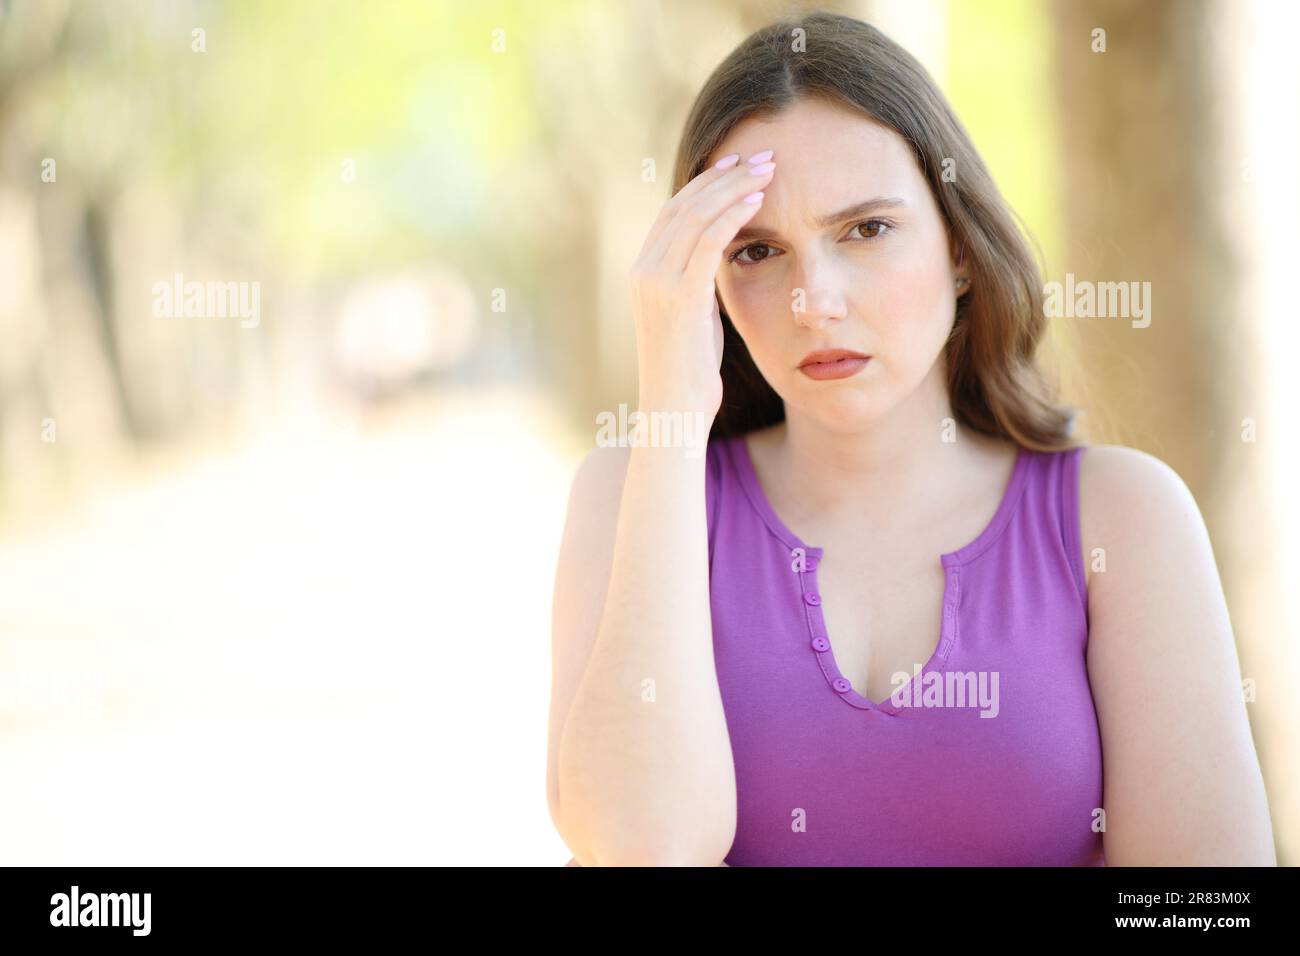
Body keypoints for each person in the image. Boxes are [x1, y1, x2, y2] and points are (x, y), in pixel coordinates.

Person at [547, 10, 1274, 866]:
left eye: (866, 229)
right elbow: (644, 849)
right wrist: (671, 407)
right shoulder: (629, 497)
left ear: (960, 246)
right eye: (754, 251)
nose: (814, 299)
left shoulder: (1125, 517)